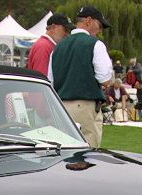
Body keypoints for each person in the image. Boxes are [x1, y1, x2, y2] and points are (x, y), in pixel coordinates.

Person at [48, 5, 113, 148]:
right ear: (89, 21)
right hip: (85, 107)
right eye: (100, 25)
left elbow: (50, 82)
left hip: (61, 107)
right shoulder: (95, 44)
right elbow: (105, 78)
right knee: (87, 153)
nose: (100, 30)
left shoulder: (58, 48)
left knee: (65, 152)